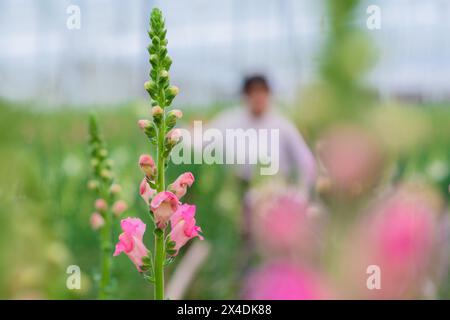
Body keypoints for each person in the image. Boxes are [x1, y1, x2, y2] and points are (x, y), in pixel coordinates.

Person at [208, 74, 316, 190]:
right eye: (252, 92)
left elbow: (306, 161)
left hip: (274, 191)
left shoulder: (283, 125)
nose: (257, 97)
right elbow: (202, 141)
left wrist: (299, 192)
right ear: (245, 96)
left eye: (262, 92)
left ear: (269, 94)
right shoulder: (229, 121)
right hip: (238, 190)